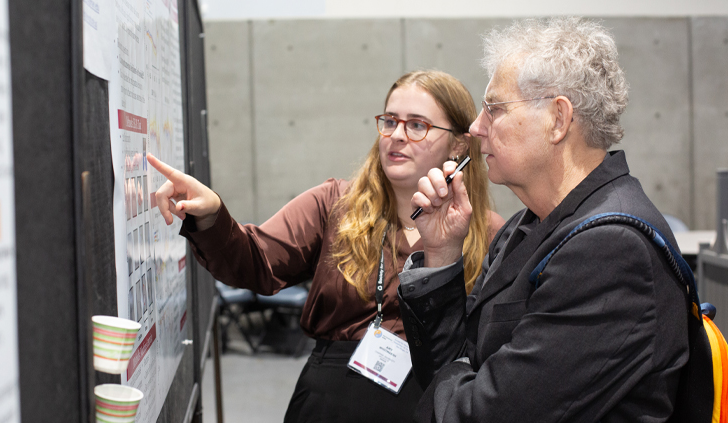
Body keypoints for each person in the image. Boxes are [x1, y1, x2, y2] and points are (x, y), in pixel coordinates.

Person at [147, 70, 505, 423]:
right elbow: (255, 260)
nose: (397, 135)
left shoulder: (489, 233)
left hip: (430, 403)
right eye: (390, 121)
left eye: (417, 125)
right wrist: (211, 215)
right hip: (329, 403)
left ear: (458, 145)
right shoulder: (334, 204)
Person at [399, 17, 689, 423]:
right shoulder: (528, 224)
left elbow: (482, 414)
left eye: (494, 109)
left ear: (557, 119)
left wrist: (467, 371)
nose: (476, 128)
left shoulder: (611, 251)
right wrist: (444, 251)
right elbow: (449, 366)